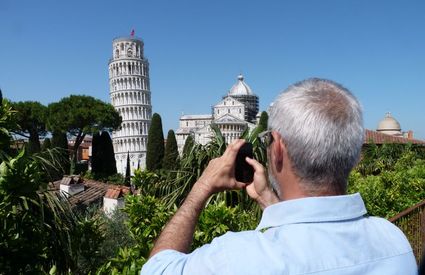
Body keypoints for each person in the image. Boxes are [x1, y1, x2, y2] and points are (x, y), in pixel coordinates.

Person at [141, 78, 417, 274]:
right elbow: (313, 244)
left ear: (278, 150)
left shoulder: (233, 259)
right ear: (356, 157)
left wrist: (201, 186)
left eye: (268, 141)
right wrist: (268, 199)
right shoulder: (395, 241)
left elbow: (157, 268)